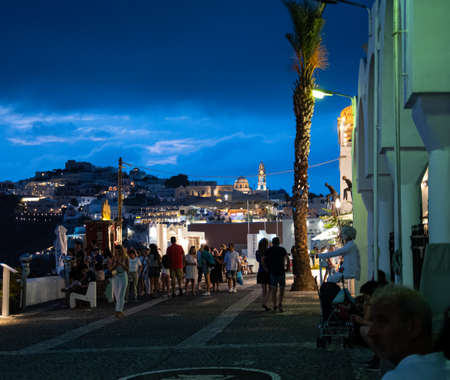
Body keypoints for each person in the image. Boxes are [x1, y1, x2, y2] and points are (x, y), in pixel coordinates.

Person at [368, 284, 450, 379]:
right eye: (372, 322)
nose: (371, 333)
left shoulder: (398, 377)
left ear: (413, 327)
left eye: (382, 322)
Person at [264, 237, 289, 312]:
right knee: (282, 289)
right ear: (279, 242)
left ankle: (274, 305)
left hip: (272, 272)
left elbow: (263, 259)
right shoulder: (282, 249)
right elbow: (287, 258)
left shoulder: (269, 250)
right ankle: (280, 304)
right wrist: (287, 267)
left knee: (274, 290)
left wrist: (266, 268)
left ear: (272, 242)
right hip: (281, 271)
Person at [109, 245, 129, 318]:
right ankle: (118, 311)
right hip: (116, 276)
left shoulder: (125, 258)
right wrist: (115, 264)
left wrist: (122, 264)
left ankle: (119, 311)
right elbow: (110, 269)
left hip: (123, 275)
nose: (117, 252)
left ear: (121, 250)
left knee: (121, 294)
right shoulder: (113, 258)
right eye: (116, 251)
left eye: (118, 250)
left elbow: (128, 269)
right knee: (117, 295)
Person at [256, 238, 270, 311]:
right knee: (270, 288)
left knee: (263, 289)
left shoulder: (257, 252)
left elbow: (258, 260)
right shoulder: (267, 251)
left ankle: (264, 302)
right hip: (267, 271)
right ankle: (265, 302)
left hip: (260, 271)